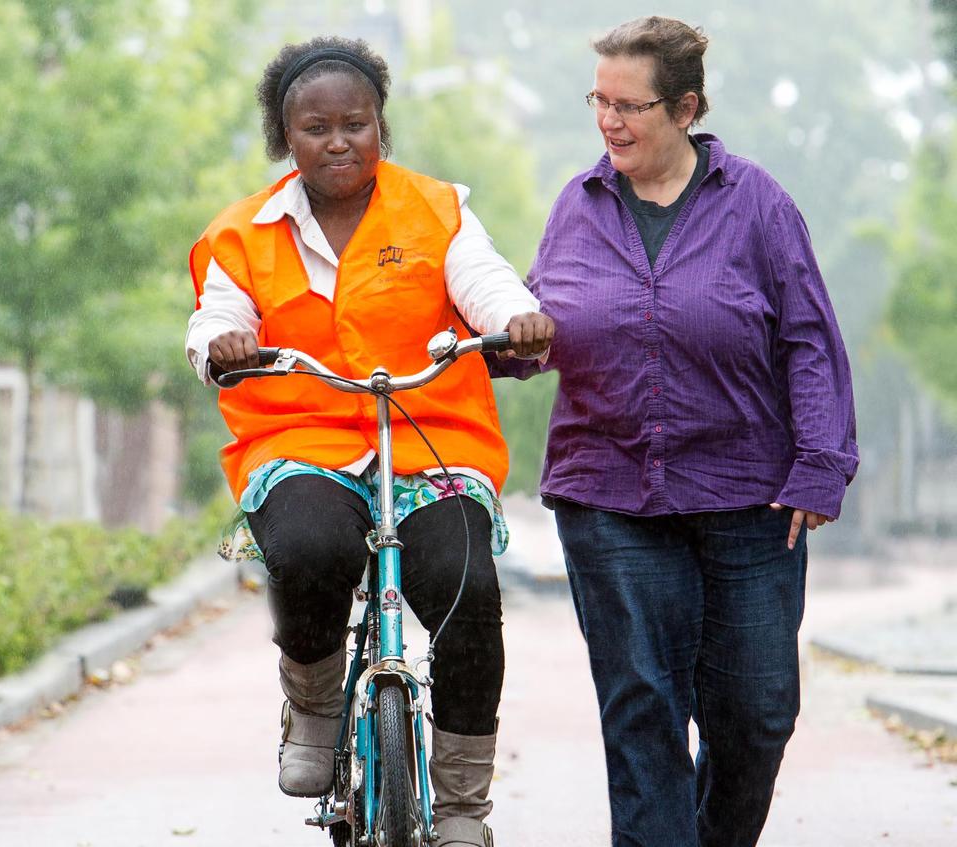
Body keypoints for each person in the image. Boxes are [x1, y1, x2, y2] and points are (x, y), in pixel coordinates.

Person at [495, 16, 858, 847]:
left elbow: (809, 337)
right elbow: (546, 323)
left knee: (758, 715)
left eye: (632, 105)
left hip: (748, 496)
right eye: (600, 100)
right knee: (644, 712)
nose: (609, 121)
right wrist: (503, 344)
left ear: (686, 106)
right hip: (608, 490)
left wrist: (821, 464)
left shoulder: (757, 203)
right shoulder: (577, 206)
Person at [185, 36, 552, 847]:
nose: (339, 139)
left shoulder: (436, 210)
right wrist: (223, 346)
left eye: (356, 123)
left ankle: (461, 802)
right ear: (287, 140)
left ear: (381, 126)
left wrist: (512, 321)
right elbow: (215, 318)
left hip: (431, 438)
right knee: (309, 549)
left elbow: (486, 282)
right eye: (317, 127)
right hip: (303, 438)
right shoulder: (244, 234)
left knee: (467, 590)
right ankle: (313, 700)